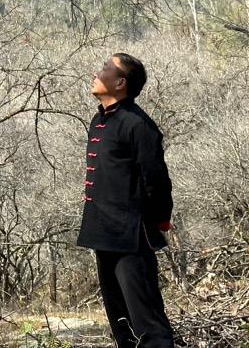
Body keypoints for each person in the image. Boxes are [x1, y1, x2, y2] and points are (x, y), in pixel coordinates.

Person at [76, 54, 175, 348]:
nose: (97, 72)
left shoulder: (139, 125)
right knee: (122, 325)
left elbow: (156, 180)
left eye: (106, 68)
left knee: (149, 326)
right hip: (103, 233)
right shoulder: (99, 120)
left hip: (131, 236)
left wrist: (159, 219)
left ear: (120, 83)